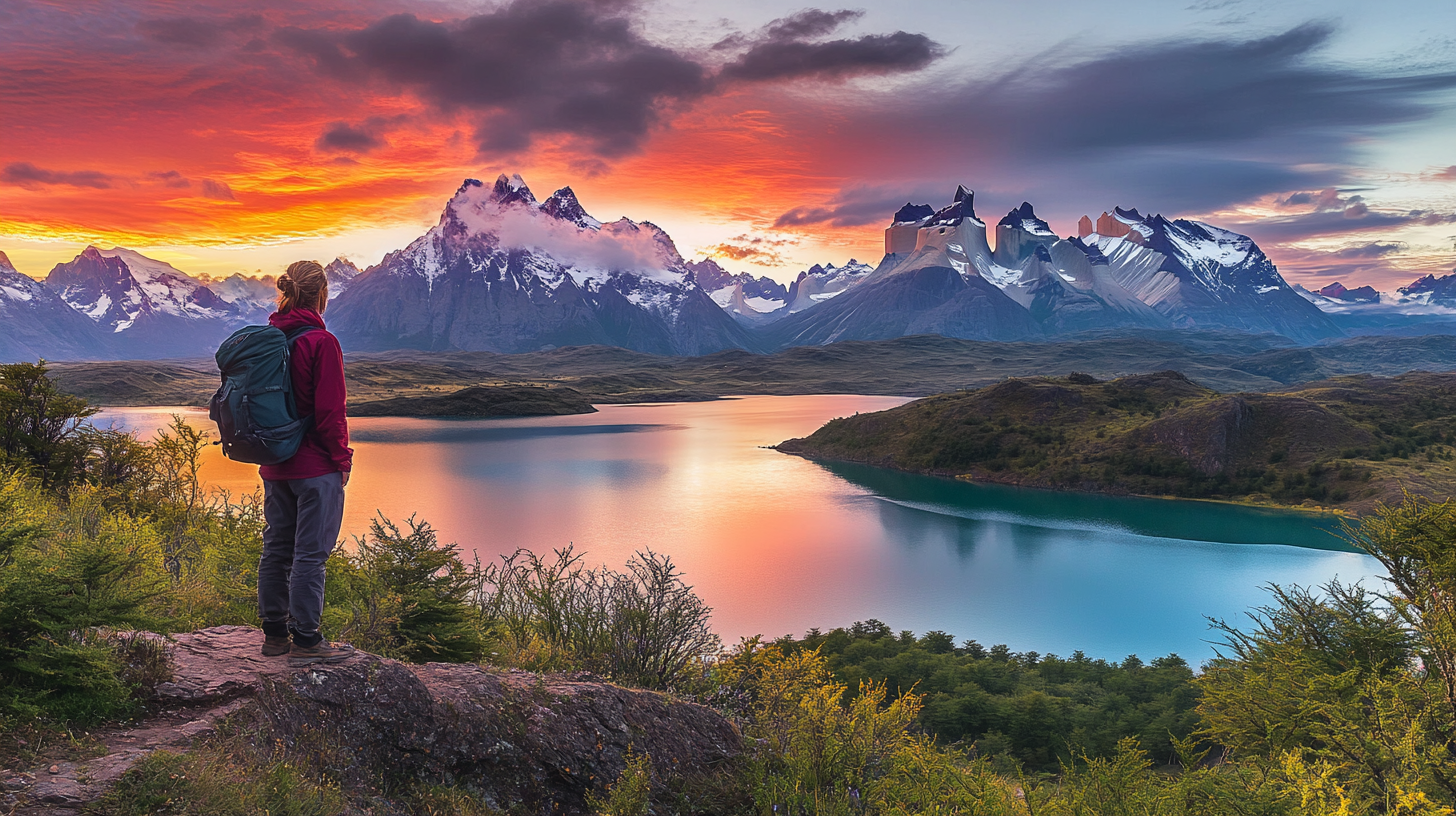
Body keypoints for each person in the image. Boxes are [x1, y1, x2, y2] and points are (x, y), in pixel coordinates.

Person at [256, 260, 356, 667]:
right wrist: (342, 459)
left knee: (276, 549)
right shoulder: (321, 341)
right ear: (322, 293)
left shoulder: (268, 338)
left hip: (274, 464)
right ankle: (308, 640)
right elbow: (331, 411)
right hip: (315, 467)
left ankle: (275, 636)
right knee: (310, 555)